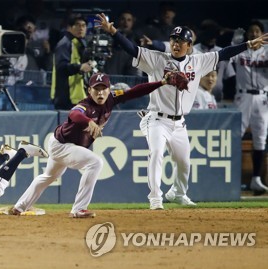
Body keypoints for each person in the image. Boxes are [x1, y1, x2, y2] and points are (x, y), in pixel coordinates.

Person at [95, 13, 268, 209]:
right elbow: (132, 49)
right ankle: (155, 198)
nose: (176, 44)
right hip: (157, 119)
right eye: (173, 40)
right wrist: (113, 32)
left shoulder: (198, 61)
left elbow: (224, 53)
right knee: (157, 153)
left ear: (189, 45)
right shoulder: (156, 59)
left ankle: (178, 193)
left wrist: (247, 45)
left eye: (181, 41)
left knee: (184, 163)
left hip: (179, 123)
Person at [11, 72, 183, 218]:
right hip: (62, 145)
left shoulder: (111, 100)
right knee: (96, 162)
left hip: (64, 145)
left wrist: (162, 82)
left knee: (47, 177)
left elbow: (135, 92)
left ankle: (19, 207)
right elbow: (74, 114)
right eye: (96, 89)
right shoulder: (85, 106)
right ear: (89, 90)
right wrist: (89, 122)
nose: (100, 93)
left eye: (104, 89)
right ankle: (78, 209)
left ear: (109, 90)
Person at [229, 20, 268, 195]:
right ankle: (231, 178)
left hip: (262, 97)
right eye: (251, 31)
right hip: (242, 96)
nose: (254, 34)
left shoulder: (266, 51)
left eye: (257, 31)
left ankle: (256, 179)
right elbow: (227, 58)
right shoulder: (241, 50)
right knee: (235, 136)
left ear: (262, 34)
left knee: (260, 138)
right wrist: (234, 43)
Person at [50, 13, 92, 110]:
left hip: (78, 97)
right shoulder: (65, 44)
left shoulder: (82, 44)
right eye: (77, 25)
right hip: (65, 98)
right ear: (70, 27)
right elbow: (61, 67)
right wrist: (79, 67)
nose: (81, 28)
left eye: (83, 25)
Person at [104, 11, 141, 76]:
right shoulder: (109, 39)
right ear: (118, 20)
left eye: (129, 20)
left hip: (128, 80)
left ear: (133, 22)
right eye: (123, 19)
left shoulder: (137, 41)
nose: (125, 22)